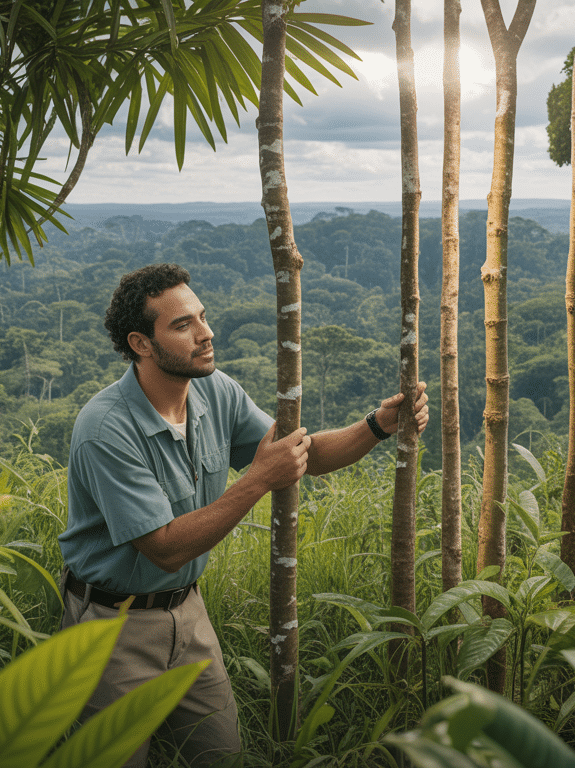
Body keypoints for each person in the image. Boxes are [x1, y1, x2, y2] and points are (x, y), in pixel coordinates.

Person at [58, 263, 428, 767]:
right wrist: (256, 481)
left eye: (202, 317)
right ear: (142, 344)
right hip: (109, 625)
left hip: (187, 611)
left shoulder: (215, 392)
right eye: (182, 325)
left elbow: (303, 454)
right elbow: (164, 547)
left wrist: (377, 425)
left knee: (222, 754)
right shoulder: (106, 428)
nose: (206, 334)